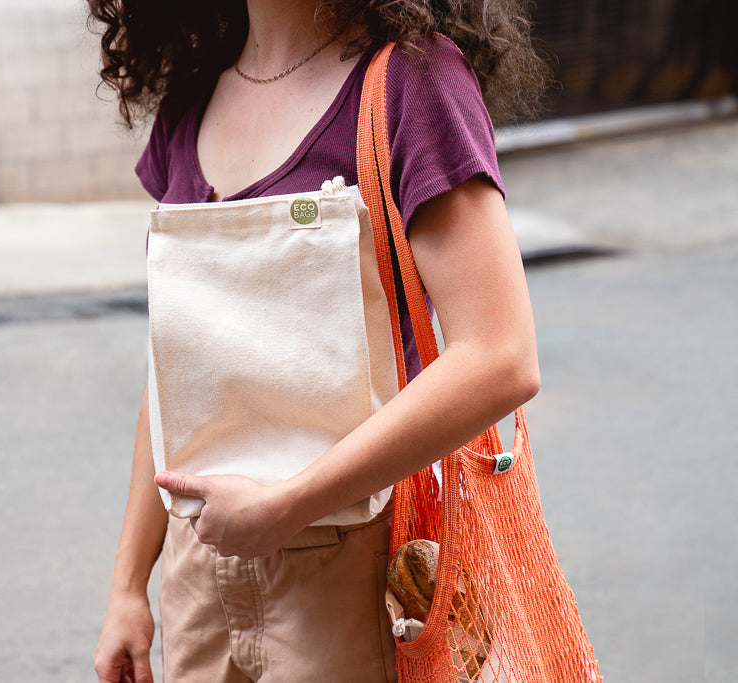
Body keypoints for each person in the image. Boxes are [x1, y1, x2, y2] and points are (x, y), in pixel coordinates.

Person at [88, 1, 548, 681]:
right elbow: (173, 376)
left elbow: (501, 357)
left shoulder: (411, 82)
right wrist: (129, 585)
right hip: (197, 571)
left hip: (357, 562)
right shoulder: (193, 96)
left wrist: (287, 505)